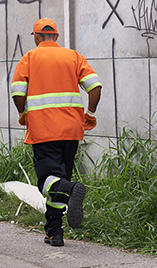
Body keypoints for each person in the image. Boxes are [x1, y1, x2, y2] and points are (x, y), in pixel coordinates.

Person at [11, 18, 101, 247]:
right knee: (58, 180)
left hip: (43, 129)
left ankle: (72, 189)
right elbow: (95, 86)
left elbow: (17, 92)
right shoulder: (74, 57)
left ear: (36, 37)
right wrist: (89, 114)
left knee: (47, 182)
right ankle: (55, 232)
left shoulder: (29, 58)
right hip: (71, 130)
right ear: (57, 37)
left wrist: (22, 112)